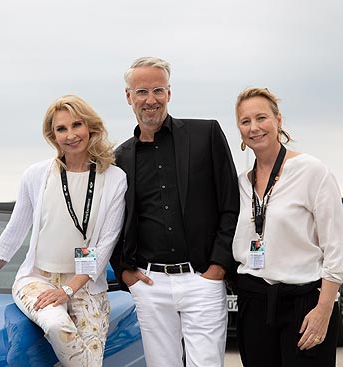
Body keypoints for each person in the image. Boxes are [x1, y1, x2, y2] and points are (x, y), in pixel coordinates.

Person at [0, 94, 127, 367]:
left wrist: (68, 290)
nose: (70, 135)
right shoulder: (36, 175)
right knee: (58, 326)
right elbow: (13, 233)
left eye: (76, 125)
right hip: (37, 279)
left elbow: (104, 245)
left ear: (90, 127)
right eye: (61, 129)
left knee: (92, 359)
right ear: (52, 135)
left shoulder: (114, 179)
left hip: (85, 285)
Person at [110, 56, 240, 367]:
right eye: (141, 92)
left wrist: (217, 268)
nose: (150, 100)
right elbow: (111, 223)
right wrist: (126, 273)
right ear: (128, 96)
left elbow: (230, 203)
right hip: (149, 284)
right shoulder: (119, 157)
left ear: (169, 92)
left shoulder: (205, 135)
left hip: (202, 279)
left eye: (157, 90)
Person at [232, 87, 343, 367]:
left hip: (303, 303)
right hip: (254, 303)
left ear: (278, 120)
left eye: (261, 118)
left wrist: (323, 310)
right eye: (245, 121)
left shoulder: (312, 171)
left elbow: (334, 249)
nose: (254, 127)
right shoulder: (240, 183)